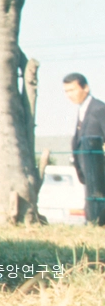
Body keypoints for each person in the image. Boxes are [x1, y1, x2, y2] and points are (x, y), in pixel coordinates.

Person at [64, 72, 105, 226]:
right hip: (89, 177)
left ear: (85, 88)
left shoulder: (99, 109)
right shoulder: (82, 110)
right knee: (92, 216)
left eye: (73, 90)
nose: (69, 95)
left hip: (101, 176)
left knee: (98, 218)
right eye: (66, 91)